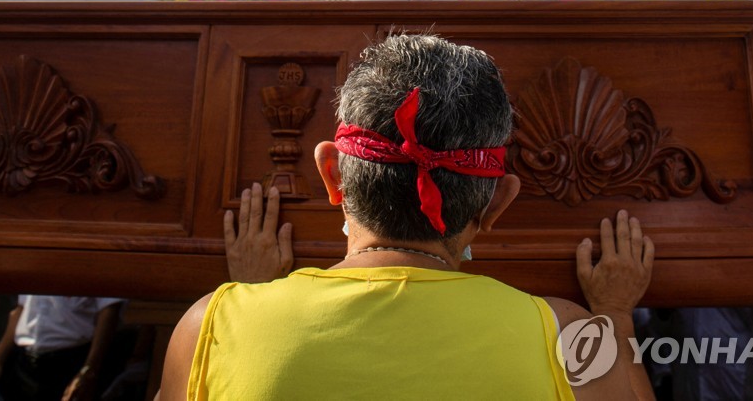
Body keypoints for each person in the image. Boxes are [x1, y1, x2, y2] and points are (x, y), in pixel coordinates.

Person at [158, 34, 655, 399]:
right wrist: (615, 315)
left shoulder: (210, 325)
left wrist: (252, 301)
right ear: (498, 201)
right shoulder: (572, 338)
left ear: (332, 173)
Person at [0, 295, 123, 401]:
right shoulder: (35, 261)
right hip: (25, 361)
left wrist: (89, 369)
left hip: (69, 359)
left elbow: (109, 311)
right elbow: (20, 309)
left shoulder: (93, 262)